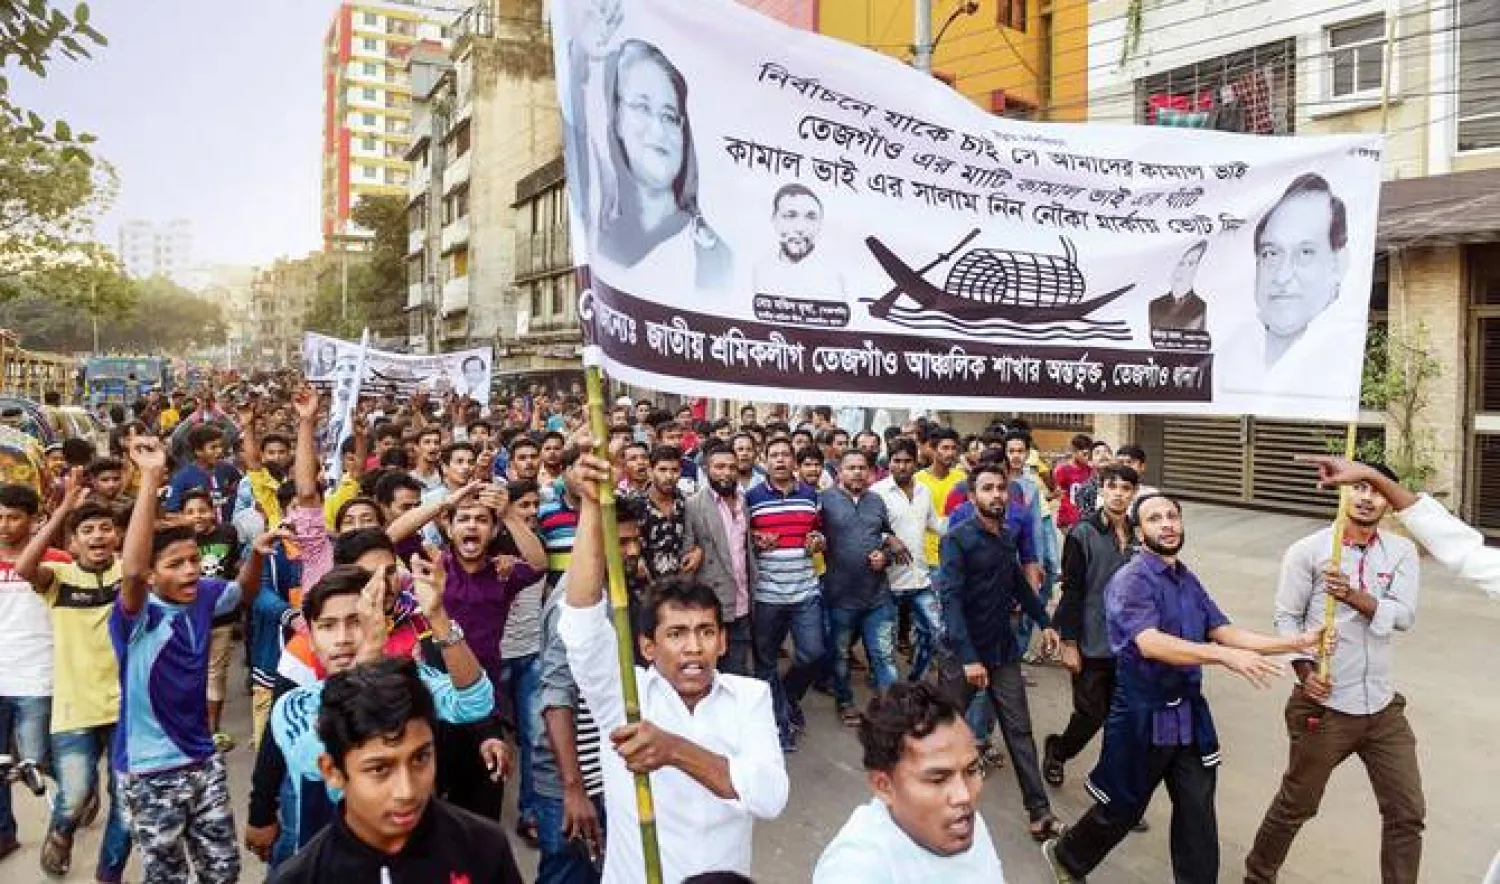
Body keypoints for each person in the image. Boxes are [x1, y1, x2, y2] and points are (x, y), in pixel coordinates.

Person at [1041, 493, 1321, 884]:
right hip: (1142, 712)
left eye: (1173, 516)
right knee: (1123, 807)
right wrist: (1221, 656)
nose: (1168, 524)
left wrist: (1294, 644)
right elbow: (1150, 643)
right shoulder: (1131, 581)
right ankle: (1068, 858)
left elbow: (1222, 630)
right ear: (1140, 531)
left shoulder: (1186, 579)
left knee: (1197, 810)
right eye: (1155, 518)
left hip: (1187, 715)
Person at [559, 449, 788, 883]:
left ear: (722, 641)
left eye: (705, 632)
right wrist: (591, 507)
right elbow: (582, 622)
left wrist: (676, 751)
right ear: (647, 646)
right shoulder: (625, 697)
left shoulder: (750, 698)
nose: (693, 648)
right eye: (676, 634)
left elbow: (770, 796)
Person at [1245, 463, 1424, 884]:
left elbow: (1403, 616)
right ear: (1343, 493)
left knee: (1407, 813)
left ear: (1388, 499)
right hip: (1324, 707)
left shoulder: (1401, 552)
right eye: (1357, 488)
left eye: (1376, 490)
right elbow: (1286, 620)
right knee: (1296, 806)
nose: (1366, 497)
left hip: (1382, 708)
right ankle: (1257, 876)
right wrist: (1306, 674)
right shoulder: (1308, 551)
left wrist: (1354, 596)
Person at [114, 437, 271, 884]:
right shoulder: (135, 613)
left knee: (223, 870)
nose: (190, 570)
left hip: (203, 761)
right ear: (150, 573)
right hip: (149, 770)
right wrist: (149, 478)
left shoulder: (204, 596)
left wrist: (256, 555)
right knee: (167, 877)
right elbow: (130, 570)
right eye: (175, 564)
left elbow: (243, 592)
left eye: (193, 561)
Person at [268, 657, 524, 883]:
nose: (407, 791)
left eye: (420, 758)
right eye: (380, 769)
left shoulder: (484, 848)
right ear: (332, 770)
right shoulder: (301, 877)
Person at [936, 462, 1063, 842]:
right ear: (972, 497)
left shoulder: (1008, 535)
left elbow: (1018, 587)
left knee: (1019, 731)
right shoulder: (957, 540)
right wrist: (970, 658)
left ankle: (1039, 814)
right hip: (963, 654)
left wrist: (1045, 620)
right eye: (987, 488)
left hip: (1003, 652)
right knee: (944, 733)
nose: (996, 495)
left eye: (1001, 488)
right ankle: (928, 807)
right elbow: (951, 602)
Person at [15, 483, 132, 881]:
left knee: (127, 802)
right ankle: (61, 832)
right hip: (74, 708)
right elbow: (25, 569)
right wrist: (63, 509)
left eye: (105, 528)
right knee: (75, 795)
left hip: (127, 709)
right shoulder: (59, 578)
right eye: (87, 530)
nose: (98, 536)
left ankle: (109, 873)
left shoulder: (128, 575)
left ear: (116, 535)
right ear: (74, 542)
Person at [813, 683, 1005, 883]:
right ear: (884, 786)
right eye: (938, 779)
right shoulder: (856, 870)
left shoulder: (961, 820)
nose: (964, 795)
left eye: (971, 770)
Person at [597, 39, 734, 292]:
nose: (659, 130)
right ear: (616, 118)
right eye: (642, 107)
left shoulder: (714, 259)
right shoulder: (600, 246)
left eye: (670, 116)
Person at [1045, 465, 1142, 803]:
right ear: (1100, 489)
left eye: (1126, 488)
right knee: (1091, 715)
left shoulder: (1140, 532)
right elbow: (1072, 590)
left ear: (1134, 493)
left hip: (1132, 644)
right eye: (1111, 486)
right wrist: (1069, 643)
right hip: (1092, 639)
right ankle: (1058, 750)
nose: (1118, 493)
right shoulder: (1082, 532)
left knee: (1124, 720)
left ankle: (1112, 790)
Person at [745, 437, 825, 752]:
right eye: (773, 455)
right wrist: (754, 538)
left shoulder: (810, 495)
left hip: (805, 590)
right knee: (765, 663)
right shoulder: (751, 498)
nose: (780, 460)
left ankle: (789, 696)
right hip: (767, 594)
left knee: (813, 654)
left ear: (794, 461)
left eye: (785, 455)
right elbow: (741, 535)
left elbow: (820, 533)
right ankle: (779, 725)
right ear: (764, 460)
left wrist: (818, 540)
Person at [0, 484, 66, 864]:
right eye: (1, 517)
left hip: (38, 676)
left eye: (14, 517)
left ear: (32, 519)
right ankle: (4, 835)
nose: (6, 526)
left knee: (38, 760)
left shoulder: (55, 560)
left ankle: (71, 804)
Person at [821, 450, 907, 727]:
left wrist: (887, 553)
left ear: (870, 473)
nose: (857, 473)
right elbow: (812, 536)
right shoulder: (825, 502)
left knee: (884, 656)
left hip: (877, 597)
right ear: (839, 473)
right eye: (851, 468)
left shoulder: (876, 501)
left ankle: (889, 711)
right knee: (841, 656)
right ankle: (845, 702)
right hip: (840, 597)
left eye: (862, 468)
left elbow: (885, 534)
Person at [1251, 172, 1349, 368]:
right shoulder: (1230, 357)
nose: (1282, 276)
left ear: (1339, 264)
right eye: (1271, 253)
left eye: (1305, 252)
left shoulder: (1338, 366)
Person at [871, 439, 944, 682]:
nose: (902, 466)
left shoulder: (924, 490)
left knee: (936, 633)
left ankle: (916, 682)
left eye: (907, 461)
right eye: (897, 461)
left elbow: (936, 524)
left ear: (916, 462)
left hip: (919, 577)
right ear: (889, 463)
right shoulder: (877, 492)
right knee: (885, 646)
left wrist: (966, 523)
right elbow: (866, 528)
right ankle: (888, 693)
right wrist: (889, 537)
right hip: (886, 582)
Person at [178, 488, 245, 753]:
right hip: (187, 618)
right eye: (190, 512)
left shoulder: (227, 533)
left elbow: (236, 565)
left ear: (213, 511)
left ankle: (212, 730)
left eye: (202, 510)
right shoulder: (178, 542)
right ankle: (191, 728)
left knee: (216, 674)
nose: (197, 516)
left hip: (222, 618)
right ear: (181, 516)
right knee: (190, 672)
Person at [681, 441, 756, 677]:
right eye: (719, 467)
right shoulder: (693, 505)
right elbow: (686, 554)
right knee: (706, 674)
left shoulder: (745, 502)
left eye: (731, 467)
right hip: (710, 603)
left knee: (737, 675)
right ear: (706, 469)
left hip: (742, 603)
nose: (726, 473)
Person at [752, 184, 846, 303]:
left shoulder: (835, 277)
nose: (800, 228)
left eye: (811, 217)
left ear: (820, 224)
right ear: (774, 220)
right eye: (790, 216)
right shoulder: (759, 270)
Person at [165, 424, 243, 524]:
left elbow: (242, 492)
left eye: (220, 446)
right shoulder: (182, 478)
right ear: (198, 451)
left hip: (231, 535)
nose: (219, 451)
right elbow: (170, 514)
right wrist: (196, 520)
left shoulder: (229, 470)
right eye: (213, 447)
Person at [640, 444, 688, 581]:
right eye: (662, 470)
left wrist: (698, 551)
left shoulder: (688, 503)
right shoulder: (635, 505)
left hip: (684, 588)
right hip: (646, 589)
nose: (669, 476)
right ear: (650, 471)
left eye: (675, 470)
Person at [1148, 240, 1209, 334]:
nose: (1182, 270)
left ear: (1198, 268)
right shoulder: (1154, 305)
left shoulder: (1201, 306)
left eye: (1191, 264)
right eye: (1180, 263)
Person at [1053, 433, 1094, 531]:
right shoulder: (1063, 470)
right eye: (1084, 454)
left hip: (1084, 517)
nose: (1087, 457)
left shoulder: (1089, 469)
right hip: (1068, 518)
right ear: (1074, 451)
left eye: (1089, 454)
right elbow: (1059, 493)